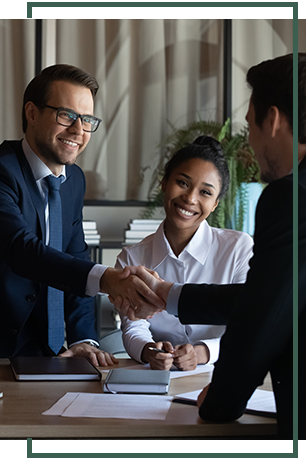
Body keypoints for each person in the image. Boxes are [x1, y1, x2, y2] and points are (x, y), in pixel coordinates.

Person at [116, 53, 306, 439]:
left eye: (251, 125)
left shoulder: (290, 196)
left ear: (273, 120)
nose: (249, 144)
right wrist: (168, 295)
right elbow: (265, 300)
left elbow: (262, 314)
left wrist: (221, 403)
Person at [0, 64, 162, 365]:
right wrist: (110, 280)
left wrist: (83, 339)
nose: (78, 130)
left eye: (87, 119)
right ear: (32, 113)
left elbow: (76, 259)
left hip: (35, 345)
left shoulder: (74, 180)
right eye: (66, 115)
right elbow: (23, 251)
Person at [116, 136, 253, 371]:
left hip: (221, 375)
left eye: (205, 192)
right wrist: (148, 350)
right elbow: (133, 326)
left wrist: (202, 352)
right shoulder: (132, 258)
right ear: (164, 182)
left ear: (216, 203)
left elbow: (248, 325)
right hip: (156, 378)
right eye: (182, 182)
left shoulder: (239, 249)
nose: (190, 199)